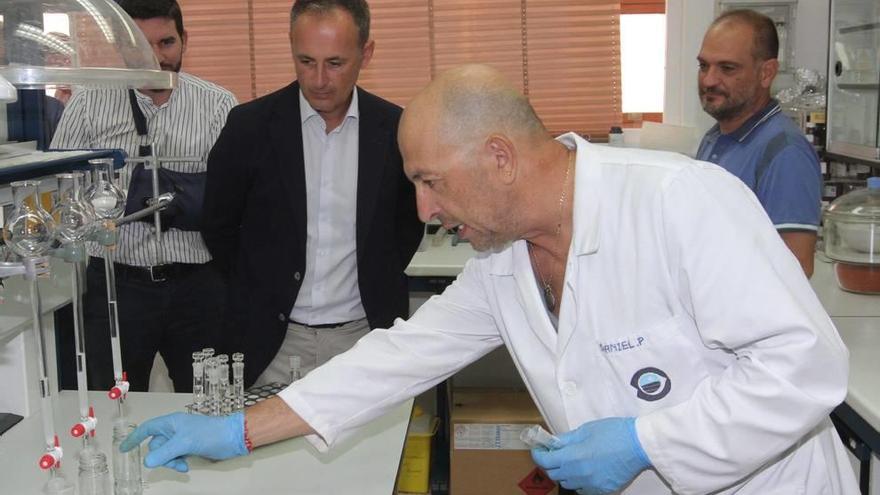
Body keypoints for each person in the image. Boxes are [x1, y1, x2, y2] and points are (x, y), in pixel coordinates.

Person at [122, 65, 857, 494]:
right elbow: (397, 358)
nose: (425, 211)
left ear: (500, 158)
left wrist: (649, 440)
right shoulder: (505, 260)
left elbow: (806, 368)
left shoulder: (679, 203)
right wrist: (239, 428)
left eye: (430, 182)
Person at [201, 0, 423, 387]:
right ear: (291, 47)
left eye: (335, 63)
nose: (319, 79)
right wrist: (263, 287)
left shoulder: (396, 129)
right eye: (306, 61)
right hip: (271, 343)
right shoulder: (248, 128)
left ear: (365, 53)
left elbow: (407, 227)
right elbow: (219, 227)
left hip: (364, 336)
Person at [50, 0, 237, 392]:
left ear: (185, 40)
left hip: (198, 287)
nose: (155, 58)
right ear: (122, 48)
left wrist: (183, 199)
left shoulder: (219, 104)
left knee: (210, 404)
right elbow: (62, 193)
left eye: (167, 42)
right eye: (141, 46)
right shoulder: (88, 102)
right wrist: (122, 197)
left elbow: (234, 201)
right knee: (112, 403)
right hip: (115, 286)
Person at [697, 9, 821, 278]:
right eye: (704, 65)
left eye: (727, 68)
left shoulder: (785, 153)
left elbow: (796, 269)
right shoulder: (715, 138)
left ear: (766, 73)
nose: (708, 80)